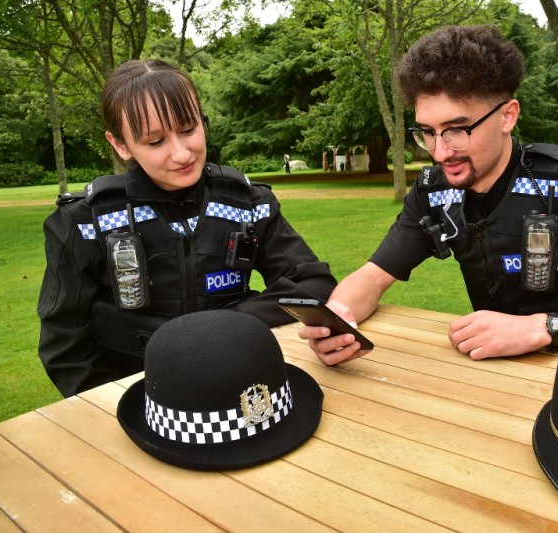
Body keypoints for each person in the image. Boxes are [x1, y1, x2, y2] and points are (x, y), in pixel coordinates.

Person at [299, 25, 558, 365]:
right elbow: (374, 276)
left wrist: (545, 327)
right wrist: (337, 319)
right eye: (427, 132)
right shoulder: (434, 192)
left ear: (507, 116)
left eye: (457, 130)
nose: (440, 152)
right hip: (488, 377)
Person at [37, 59, 337, 397]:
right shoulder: (82, 223)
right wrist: (111, 408)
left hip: (236, 389)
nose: (181, 154)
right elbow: (65, 345)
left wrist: (222, 325)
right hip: (135, 398)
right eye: (155, 142)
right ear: (120, 144)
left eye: (188, 129)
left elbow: (312, 284)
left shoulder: (250, 203)